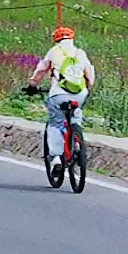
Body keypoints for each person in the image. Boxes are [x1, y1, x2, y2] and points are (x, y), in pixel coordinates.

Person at [28, 25, 96, 180]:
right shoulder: (80, 53)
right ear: (72, 39)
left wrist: (32, 85)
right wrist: (87, 86)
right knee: (76, 113)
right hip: (79, 93)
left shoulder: (54, 51)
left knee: (55, 123)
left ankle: (57, 158)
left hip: (58, 93)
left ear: (56, 39)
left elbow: (40, 70)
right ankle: (76, 138)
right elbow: (90, 74)